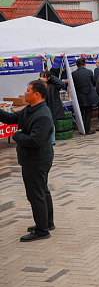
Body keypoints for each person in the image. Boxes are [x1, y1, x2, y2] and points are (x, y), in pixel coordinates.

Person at [0, 80, 55, 242]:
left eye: (28, 90)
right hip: (33, 159)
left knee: (36, 194)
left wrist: (17, 135)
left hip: (36, 160)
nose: (25, 93)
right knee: (42, 191)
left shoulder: (42, 115)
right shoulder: (30, 109)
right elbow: (11, 118)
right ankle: (46, 222)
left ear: (36, 94)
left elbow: (35, 141)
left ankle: (42, 230)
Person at [71, 58, 98, 135]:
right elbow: (93, 82)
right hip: (89, 95)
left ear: (77, 66)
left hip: (79, 96)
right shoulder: (89, 72)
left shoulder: (73, 74)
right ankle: (87, 129)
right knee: (88, 113)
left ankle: (81, 128)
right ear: (85, 64)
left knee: (80, 112)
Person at [39, 70, 66, 145]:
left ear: (48, 78)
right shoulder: (39, 86)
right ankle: (47, 140)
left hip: (52, 107)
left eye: (43, 77)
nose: (41, 78)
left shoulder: (53, 86)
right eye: (40, 77)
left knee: (51, 123)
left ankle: (51, 141)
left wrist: (50, 76)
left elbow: (61, 83)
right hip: (43, 107)